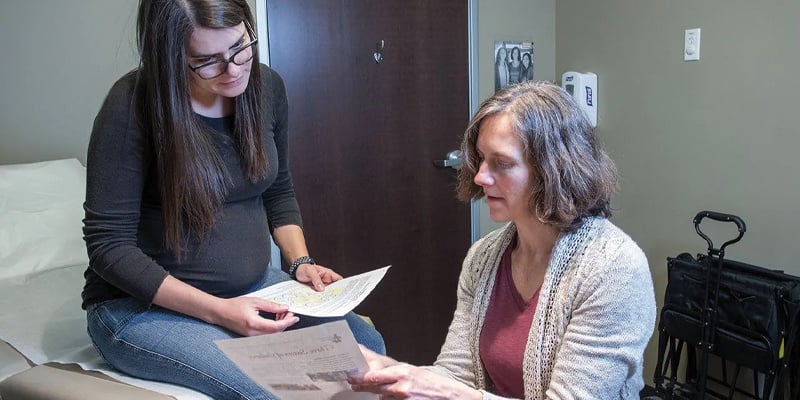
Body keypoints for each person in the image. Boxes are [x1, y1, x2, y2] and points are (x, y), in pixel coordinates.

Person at [81, 0, 384, 399]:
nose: (234, 69)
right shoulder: (132, 104)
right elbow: (108, 245)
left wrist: (301, 262)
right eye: (208, 61)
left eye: (241, 47)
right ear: (169, 56)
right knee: (272, 390)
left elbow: (278, 188)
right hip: (140, 309)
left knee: (367, 353)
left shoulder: (266, 87)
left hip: (252, 290)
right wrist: (219, 312)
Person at [348, 81, 656, 399]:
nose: (480, 176)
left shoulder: (613, 268)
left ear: (554, 171)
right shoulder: (483, 257)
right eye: (481, 158)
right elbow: (456, 375)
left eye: (503, 163)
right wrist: (389, 371)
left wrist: (445, 392)